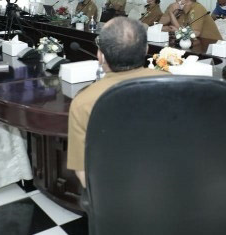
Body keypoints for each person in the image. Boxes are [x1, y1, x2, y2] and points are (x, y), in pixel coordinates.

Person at [67, 17, 170, 187]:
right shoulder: (172, 83)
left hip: (114, 195)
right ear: (146, 49)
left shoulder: (83, 101)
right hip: (172, 187)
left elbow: (84, 174)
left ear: (100, 55)